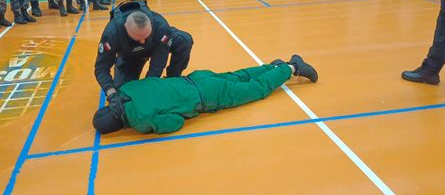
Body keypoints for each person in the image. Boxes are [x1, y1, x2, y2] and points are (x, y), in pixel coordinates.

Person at [92, 55, 318, 134]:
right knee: (238, 76)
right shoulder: (126, 89)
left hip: (207, 97)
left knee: (255, 90)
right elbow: (152, 80)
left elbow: (175, 122)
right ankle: (273, 67)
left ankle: (291, 68)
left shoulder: (140, 121)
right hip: (196, 78)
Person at [94, 0, 194, 93]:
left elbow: (159, 61)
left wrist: (149, 84)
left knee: (184, 40)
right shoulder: (112, 35)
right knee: (124, 92)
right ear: (126, 29)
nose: (142, 41)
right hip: (130, 56)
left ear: (150, 25)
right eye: (138, 38)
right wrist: (111, 92)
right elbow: (101, 68)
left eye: (145, 36)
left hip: (155, 46)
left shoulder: (160, 25)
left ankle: (173, 79)